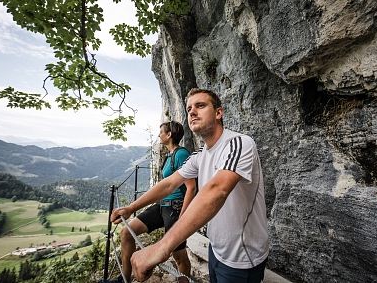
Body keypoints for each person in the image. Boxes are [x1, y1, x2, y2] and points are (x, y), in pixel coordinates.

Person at [111, 88, 269, 283]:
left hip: (241, 257)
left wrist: (162, 247)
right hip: (217, 248)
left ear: (218, 112)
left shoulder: (239, 143)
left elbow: (217, 190)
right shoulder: (200, 154)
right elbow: (169, 184)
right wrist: (131, 208)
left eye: (200, 106)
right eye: (188, 109)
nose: (192, 112)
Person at [110, 121, 196, 283]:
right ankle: (124, 279)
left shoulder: (181, 154)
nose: (158, 135)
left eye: (161, 132)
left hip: (175, 209)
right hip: (162, 205)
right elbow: (165, 187)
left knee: (179, 257)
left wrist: (183, 218)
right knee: (126, 233)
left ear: (169, 135)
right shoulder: (170, 155)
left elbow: (191, 188)